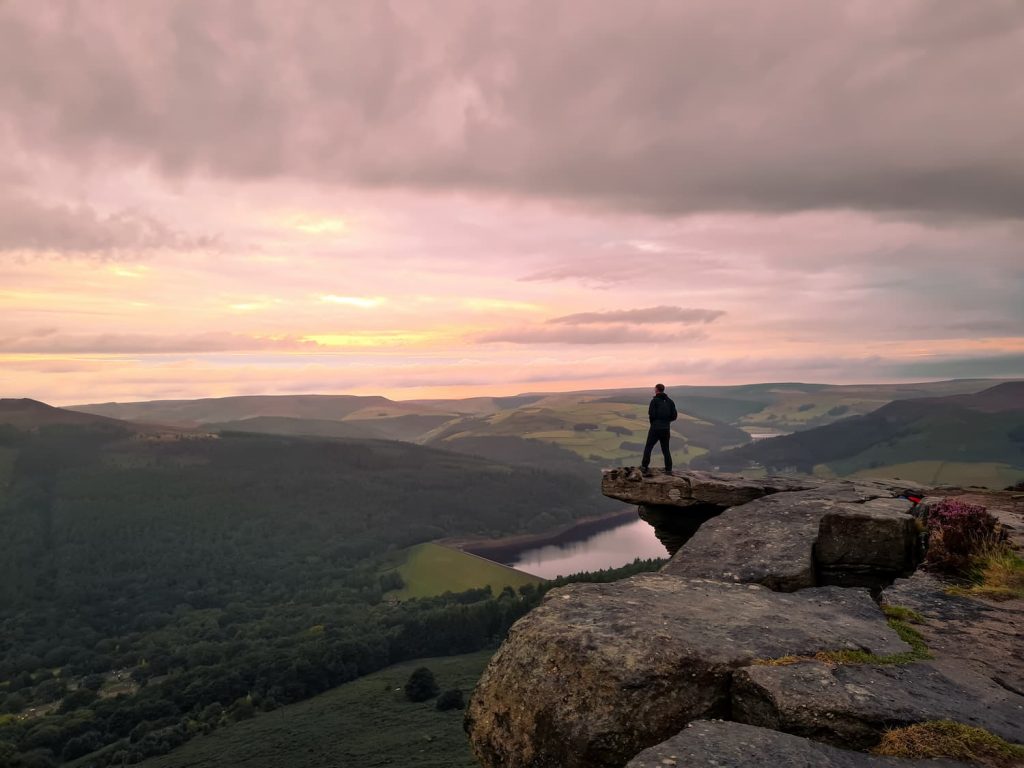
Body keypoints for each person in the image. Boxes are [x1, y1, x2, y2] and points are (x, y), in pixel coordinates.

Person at [641, 383, 677, 475]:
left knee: (648, 447)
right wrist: (666, 422)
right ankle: (668, 469)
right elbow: (674, 416)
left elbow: (651, 415)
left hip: (655, 428)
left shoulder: (654, 401)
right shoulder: (670, 401)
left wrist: (654, 424)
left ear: (656, 390)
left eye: (655, 388)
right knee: (666, 449)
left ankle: (644, 467)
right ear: (663, 390)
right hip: (666, 428)